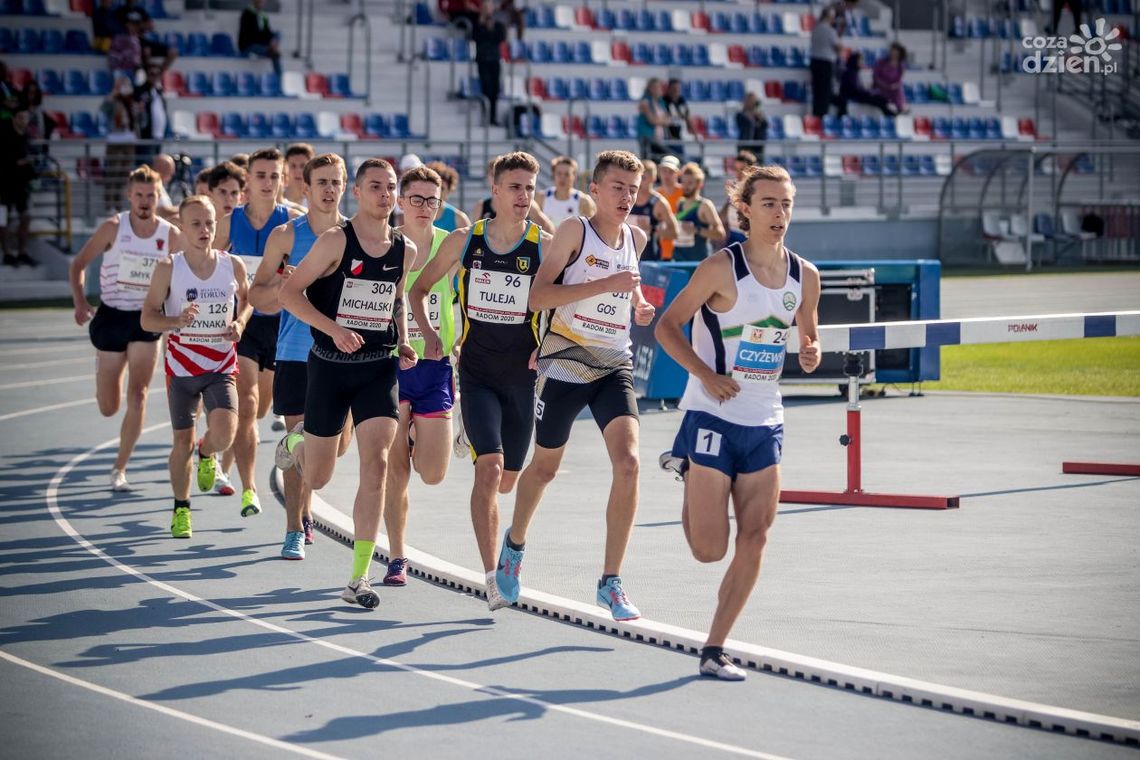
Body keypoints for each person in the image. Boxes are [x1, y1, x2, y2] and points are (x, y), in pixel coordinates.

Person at [654, 164, 821, 680]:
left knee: (756, 535)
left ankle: (715, 647)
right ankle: (689, 469)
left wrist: (811, 351)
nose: (780, 213)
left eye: (786, 203)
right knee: (709, 550)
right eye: (768, 203)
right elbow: (666, 327)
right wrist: (706, 373)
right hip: (712, 414)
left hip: (765, 420)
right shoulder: (721, 269)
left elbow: (808, 336)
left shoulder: (805, 276)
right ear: (744, 208)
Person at [497, 150, 655, 622]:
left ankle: (611, 581)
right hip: (565, 363)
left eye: (633, 188)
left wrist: (639, 305)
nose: (627, 196)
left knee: (628, 463)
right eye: (617, 187)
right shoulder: (574, 232)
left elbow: (628, 289)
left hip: (613, 364)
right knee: (543, 469)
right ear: (596, 190)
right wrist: (605, 283)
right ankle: (514, 545)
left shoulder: (637, 237)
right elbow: (538, 295)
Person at [410, 151, 551, 611]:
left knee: (508, 480)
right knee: (488, 470)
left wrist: (546, 341)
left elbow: (565, 300)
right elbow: (418, 289)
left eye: (530, 188)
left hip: (522, 379)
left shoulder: (544, 245)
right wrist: (431, 335)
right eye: (514, 187)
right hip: (475, 374)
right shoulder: (464, 240)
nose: (523, 196)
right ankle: (491, 576)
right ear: (494, 190)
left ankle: (512, 540)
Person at [275, 158, 418, 609]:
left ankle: (359, 577)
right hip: (329, 366)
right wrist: (333, 329)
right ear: (357, 191)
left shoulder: (405, 249)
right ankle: (296, 443)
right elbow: (288, 293)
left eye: (391, 187)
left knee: (375, 465)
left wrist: (406, 341)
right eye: (375, 186)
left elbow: (394, 300)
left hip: (378, 368)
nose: (385, 195)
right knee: (318, 475)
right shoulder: (336, 241)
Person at [249, 153, 352, 560]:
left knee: (336, 448)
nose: (329, 190)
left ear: (345, 187)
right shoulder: (285, 236)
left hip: (345, 355)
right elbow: (254, 295)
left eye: (336, 182)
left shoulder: (356, 236)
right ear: (304, 188)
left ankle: (303, 482)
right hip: (294, 353)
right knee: (300, 447)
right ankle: (294, 526)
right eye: (321, 182)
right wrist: (283, 289)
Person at [140, 195, 251, 539]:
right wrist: (175, 320)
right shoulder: (169, 268)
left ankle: (207, 451)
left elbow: (246, 302)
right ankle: (181, 509)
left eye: (210, 223)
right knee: (180, 442)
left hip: (220, 363)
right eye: (196, 224)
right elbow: (147, 319)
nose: (204, 230)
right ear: (183, 228)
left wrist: (240, 324)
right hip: (183, 368)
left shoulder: (231, 264)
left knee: (226, 434)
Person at [69, 165, 179, 491]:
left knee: (139, 394)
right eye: (140, 195)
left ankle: (120, 467)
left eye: (151, 195)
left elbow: (188, 269)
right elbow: (78, 264)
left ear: (158, 197)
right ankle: (104, 374)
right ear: (129, 196)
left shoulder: (169, 234)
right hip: (112, 317)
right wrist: (79, 301)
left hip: (147, 319)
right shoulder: (113, 228)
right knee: (109, 406)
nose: (145, 201)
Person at [382, 165, 459, 586]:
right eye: (417, 199)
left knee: (433, 473)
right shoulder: (386, 243)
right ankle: (397, 556)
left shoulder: (450, 244)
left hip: (435, 366)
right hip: (391, 366)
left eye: (433, 200)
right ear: (400, 202)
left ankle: (414, 434)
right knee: (396, 471)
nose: (425, 207)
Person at [214, 147, 300, 516]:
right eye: (260, 175)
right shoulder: (228, 222)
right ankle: (250, 489)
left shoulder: (294, 222)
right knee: (247, 407)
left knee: (263, 408)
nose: (267, 183)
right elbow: (204, 264)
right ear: (247, 179)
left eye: (274, 176)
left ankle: (211, 450)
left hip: (281, 328)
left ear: (283, 180)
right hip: (242, 327)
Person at [470, 159, 556, 234]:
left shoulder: (527, 203)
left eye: (529, 188)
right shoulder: (482, 206)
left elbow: (548, 228)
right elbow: (474, 237)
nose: (495, 178)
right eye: (493, 174)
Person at [1, 109, 37, 268]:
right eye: (20, 117)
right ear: (14, 119)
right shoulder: (5, 136)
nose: (23, 120)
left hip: (22, 185)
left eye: (26, 118)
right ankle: (7, 253)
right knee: (4, 219)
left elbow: (28, 160)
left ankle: (22, 252)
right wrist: (17, 162)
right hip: (5, 185)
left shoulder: (26, 137)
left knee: (26, 217)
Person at [672, 163, 725, 262]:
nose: (685, 186)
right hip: (678, 259)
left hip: (697, 262)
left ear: (699, 184)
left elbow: (720, 233)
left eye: (690, 183)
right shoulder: (680, 203)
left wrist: (697, 230)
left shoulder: (705, 205)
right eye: (683, 182)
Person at [628, 159, 678, 263]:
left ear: (653, 178)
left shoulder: (659, 203)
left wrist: (652, 229)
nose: (640, 181)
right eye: (638, 177)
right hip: (627, 257)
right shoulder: (627, 198)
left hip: (650, 260)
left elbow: (674, 233)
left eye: (644, 178)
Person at [472, 3, 507, 126]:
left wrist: (491, 29)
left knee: (495, 90)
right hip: (482, 59)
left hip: (494, 59)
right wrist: (481, 25)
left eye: (489, 7)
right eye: (485, 7)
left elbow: (501, 37)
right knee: (485, 88)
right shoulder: (478, 23)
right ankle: (485, 116)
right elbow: (474, 37)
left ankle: (493, 117)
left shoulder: (498, 22)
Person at [536, 156, 596, 226]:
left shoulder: (584, 201)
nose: (562, 178)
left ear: (574, 176)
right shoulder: (541, 198)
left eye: (567, 174)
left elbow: (591, 229)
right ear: (553, 175)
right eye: (559, 173)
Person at [836, 51, 896, 118]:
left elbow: (858, 88)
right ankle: (890, 114)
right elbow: (853, 89)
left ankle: (888, 113)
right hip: (854, 96)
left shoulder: (854, 72)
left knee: (881, 99)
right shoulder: (850, 73)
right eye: (860, 60)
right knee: (878, 99)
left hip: (859, 94)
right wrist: (865, 92)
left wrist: (866, 91)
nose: (862, 62)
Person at [720, 151, 757, 248]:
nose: (738, 174)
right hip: (733, 236)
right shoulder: (735, 187)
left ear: (752, 170)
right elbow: (722, 217)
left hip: (749, 237)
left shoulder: (757, 188)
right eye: (736, 169)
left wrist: (734, 196)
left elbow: (748, 212)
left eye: (742, 170)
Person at [134, 64, 168, 167]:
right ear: (147, 75)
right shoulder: (140, 90)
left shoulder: (159, 91)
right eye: (152, 74)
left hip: (159, 135)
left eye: (157, 74)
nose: (155, 77)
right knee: (145, 166)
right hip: (146, 135)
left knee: (156, 166)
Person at [810, 6, 841, 118]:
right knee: (825, 91)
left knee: (817, 91)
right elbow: (838, 47)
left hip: (815, 61)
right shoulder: (830, 31)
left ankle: (816, 113)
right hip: (826, 62)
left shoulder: (816, 29)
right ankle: (822, 115)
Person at [238, 0, 283, 77]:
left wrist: (272, 40)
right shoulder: (247, 14)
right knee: (274, 54)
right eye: (259, 1)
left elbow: (267, 31)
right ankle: (271, 50)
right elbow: (252, 35)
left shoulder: (263, 15)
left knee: (277, 35)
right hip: (248, 45)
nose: (261, 3)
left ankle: (279, 77)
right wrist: (268, 42)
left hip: (262, 44)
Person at [426, 160, 471, 232]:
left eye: (442, 189)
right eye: (434, 188)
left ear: (449, 190)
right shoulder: (416, 215)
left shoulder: (460, 219)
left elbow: (471, 242)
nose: (437, 193)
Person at [655, 155, 684, 261]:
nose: (667, 175)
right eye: (664, 171)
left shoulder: (686, 193)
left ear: (678, 173)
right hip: (659, 251)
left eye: (671, 171)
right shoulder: (655, 195)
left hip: (682, 252)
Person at [635, 78, 671, 161]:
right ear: (650, 88)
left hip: (660, 138)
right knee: (648, 160)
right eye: (655, 87)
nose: (658, 90)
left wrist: (659, 121)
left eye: (659, 87)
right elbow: (652, 120)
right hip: (647, 137)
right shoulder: (645, 102)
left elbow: (668, 119)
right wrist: (662, 121)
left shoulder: (661, 102)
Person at [663, 78, 701, 156]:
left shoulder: (681, 101)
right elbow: (663, 120)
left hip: (679, 135)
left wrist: (695, 134)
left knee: (680, 156)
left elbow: (687, 117)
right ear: (669, 89)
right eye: (674, 89)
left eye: (678, 89)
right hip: (668, 136)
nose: (676, 91)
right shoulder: (664, 101)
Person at [872, 43, 908, 115]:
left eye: (895, 50)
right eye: (892, 50)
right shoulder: (881, 62)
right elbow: (875, 77)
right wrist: (885, 86)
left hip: (893, 89)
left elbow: (899, 80)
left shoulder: (901, 66)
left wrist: (893, 86)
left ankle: (900, 108)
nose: (893, 52)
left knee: (898, 89)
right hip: (881, 87)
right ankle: (899, 109)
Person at [735, 92, 767, 160]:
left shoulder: (759, 114)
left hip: (757, 146)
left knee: (758, 166)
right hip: (745, 145)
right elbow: (747, 123)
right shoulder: (740, 114)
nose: (753, 103)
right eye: (751, 100)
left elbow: (765, 124)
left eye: (754, 101)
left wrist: (758, 116)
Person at [282, 143, 314, 210]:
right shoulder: (275, 198)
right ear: (285, 168)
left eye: (303, 166)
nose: (298, 171)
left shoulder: (317, 201)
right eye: (293, 166)